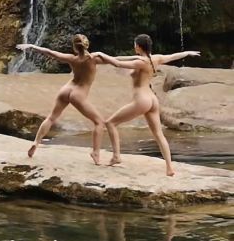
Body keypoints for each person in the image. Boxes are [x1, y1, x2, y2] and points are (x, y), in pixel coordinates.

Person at [94, 34, 200, 176]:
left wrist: (100, 53)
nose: (133, 46)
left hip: (142, 100)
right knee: (158, 134)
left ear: (138, 46)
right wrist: (187, 53)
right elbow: (173, 56)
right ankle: (169, 168)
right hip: (153, 100)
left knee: (110, 123)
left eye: (134, 44)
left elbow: (117, 63)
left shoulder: (140, 62)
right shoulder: (155, 58)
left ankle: (116, 156)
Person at [16, 34, 107, 164]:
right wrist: (139, 58)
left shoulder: (71, 58)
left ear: (75, 47)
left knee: (51, 117)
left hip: (66, 89)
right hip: (78, 93)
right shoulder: (93, 59)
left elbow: (50, 52)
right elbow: (116, 60)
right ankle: (96, 153)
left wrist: (31, 46)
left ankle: (36, 142)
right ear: (87, 45)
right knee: (99, 122)